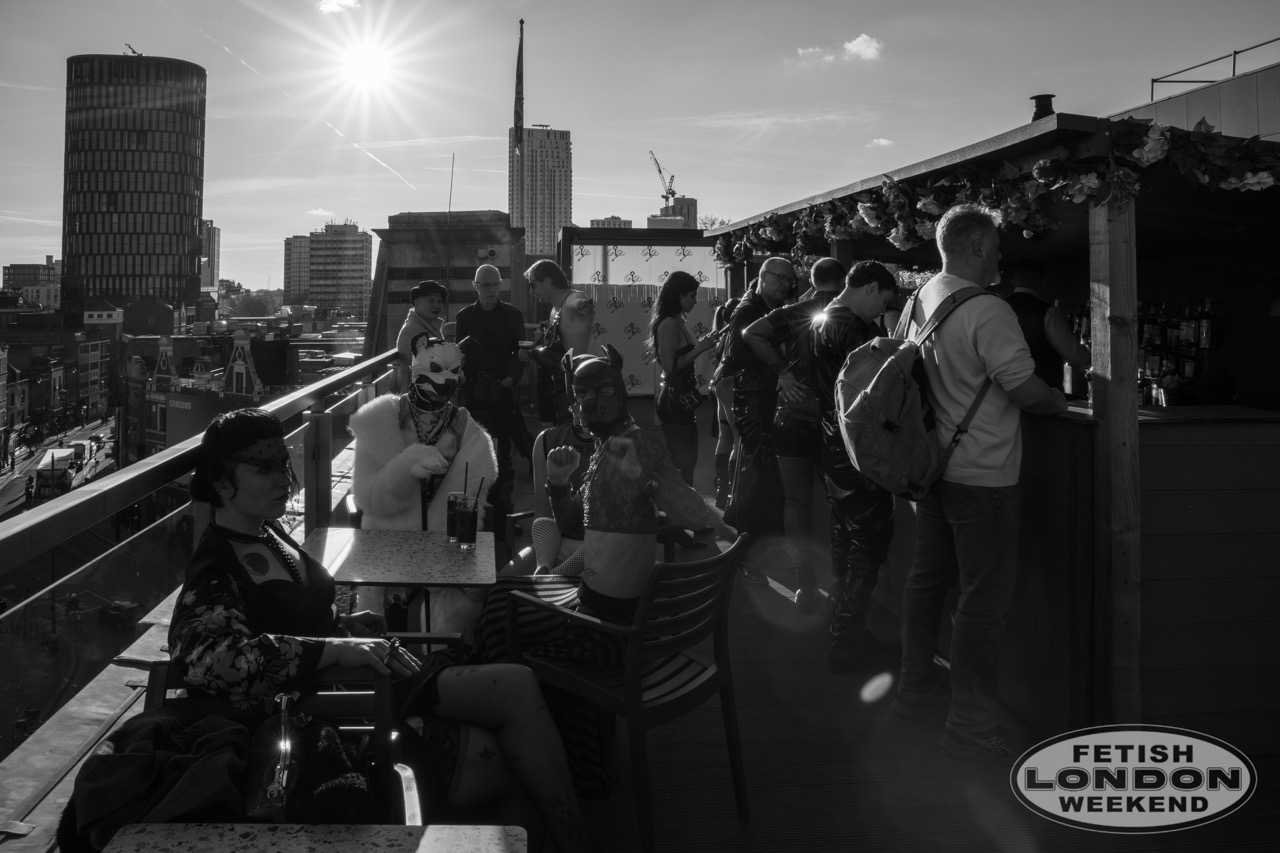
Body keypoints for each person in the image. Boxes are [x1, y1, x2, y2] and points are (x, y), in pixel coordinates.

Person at [169, 408, 593, 851]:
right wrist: (332, 650)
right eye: (263, 468)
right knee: (512, 730)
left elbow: (295, 617)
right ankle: (574, 842)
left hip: (366, 679)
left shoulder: (267, 534)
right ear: (221, 483)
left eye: (283, 463)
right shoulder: (215, 570)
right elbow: (212, 659)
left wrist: (345, 626)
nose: (284, 479)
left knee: (518, 689)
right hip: (338, 706)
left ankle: (571, 841)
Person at [476, 346, 713, 794]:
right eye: (579, 394)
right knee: (500, 599)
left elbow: (694, 514)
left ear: (616, 394)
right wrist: (557, 484)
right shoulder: (608, 447)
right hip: (597, 603)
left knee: (498, 614)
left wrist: (651, 484)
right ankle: (543, 740)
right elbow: (572, 525)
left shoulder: (636, 447)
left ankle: (541, 748)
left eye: (597, 392)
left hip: (609, 628)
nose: (586, 404)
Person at [892, 204, 1067, 764]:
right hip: (983, 475)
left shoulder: (920, 299)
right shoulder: (989, 309)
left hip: (933, 468)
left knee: (927, 581)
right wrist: (1058, 400)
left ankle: (915, 687)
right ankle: (969, 726)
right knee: (983, 602)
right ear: (974, 247)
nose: (1000, 257)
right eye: (996, 246)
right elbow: (1025, 389)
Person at [349, 333, 498, 635]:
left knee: (452, 608)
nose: (448, 379)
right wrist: (405, 468)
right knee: (381, 615)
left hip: (446, 540)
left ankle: (440, 657)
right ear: (416, 367)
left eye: (454, 370)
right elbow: (367, 496)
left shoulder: (464, 426)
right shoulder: (380, 419)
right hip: (388, 538)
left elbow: (474, 484)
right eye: (437, 368)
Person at [810, 261, 901, 671]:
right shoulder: (857, 330)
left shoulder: (822, 318)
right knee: (870, 540)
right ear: (870, 288)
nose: (882, 310)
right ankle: (846, 637)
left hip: (829, 441)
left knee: (844, 533)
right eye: (883, 300)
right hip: (856, 446)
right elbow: (880, 390)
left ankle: (841, 623)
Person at [742, 257, 846, 612]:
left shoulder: (798, 310)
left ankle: (805, 583)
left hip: (793, 413)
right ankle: (841, 583)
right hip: (833, 417)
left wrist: (784, 372)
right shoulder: (851, 314)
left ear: (813, 281)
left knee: (796, 503)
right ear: (844, 281)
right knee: (840, 501)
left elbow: (752, 333)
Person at [718, 257, 797, 584]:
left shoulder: (764, 307)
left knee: (762, 477)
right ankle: (748, 553)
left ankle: (756, 548)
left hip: (761, 401)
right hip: (751, 402)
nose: (786, 285)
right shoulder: (749, 310)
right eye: (781, 278)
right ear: (763, 277)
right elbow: (737, 355)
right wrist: (779, 365)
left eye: (789, 280)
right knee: (759, 476)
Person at [455, 264, 530, 510]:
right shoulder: (464, 317)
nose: (491, 289)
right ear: (475, 286)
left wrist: (510, 380)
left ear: (501, 284)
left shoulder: (513, 315)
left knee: (503, 452)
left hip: (502, 388)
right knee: (470, 450)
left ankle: (503, 512)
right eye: (486, 285)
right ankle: (475, 510)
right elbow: (458, 357)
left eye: (495, 284)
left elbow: (521, 353)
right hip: (473, 390)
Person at [649, 270, 720, 486]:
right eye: (692, 295)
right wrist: (700, 348)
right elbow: (670, 367)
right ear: (679, 295)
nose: (695, 301)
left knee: (686, 460)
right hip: (675, 400)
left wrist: (701, 346)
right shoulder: (669, 324)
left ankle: (683, 501)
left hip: (679, 399)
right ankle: (680, 502)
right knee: (683, 462)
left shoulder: (676, 321)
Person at [525, 260, 594, 428]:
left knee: (567, 434)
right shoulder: (555, 308)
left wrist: (582, 305)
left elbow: (578, 301)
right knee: (550, 432)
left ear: (547, 281)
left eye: (533, 285)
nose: (531, 291)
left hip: (570, 386)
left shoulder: (571, 300)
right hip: (553, 383)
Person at [1005, 262, 1091, 390]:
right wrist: (1092, 360)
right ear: (1044, 282)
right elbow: (1074, 354)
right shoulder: (1046, 312)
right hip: (1042, 390)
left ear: (1013, 281)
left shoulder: (999, 307)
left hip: (1004, 389)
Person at [708, 282, 748, 509]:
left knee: (725, 437)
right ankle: (732, 492)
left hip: (719, 383)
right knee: (738, 438)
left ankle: (722, 491)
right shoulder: (738, 333)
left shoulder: (724, 334)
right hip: (731, 383)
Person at [396, 280, 449, 377]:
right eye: (431, 301)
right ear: (416, 304)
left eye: (439, 301)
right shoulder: (414, 331)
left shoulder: (426, 326)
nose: (437, 306)